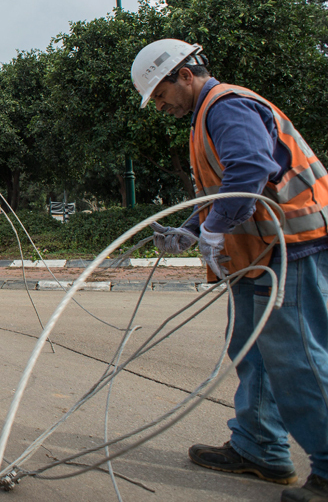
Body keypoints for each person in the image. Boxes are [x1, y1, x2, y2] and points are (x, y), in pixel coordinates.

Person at [131, 38, 328, 502]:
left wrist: (214, 229)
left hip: (289, 249)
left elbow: (249, 169)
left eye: (160, 95)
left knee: (298, 361)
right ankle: (259, 447)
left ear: (184, 74)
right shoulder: (206, 117)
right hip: (258, 255)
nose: (160, 107)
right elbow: (221, 191)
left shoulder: (225, 106)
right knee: (252, 351)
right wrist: (191, 230)